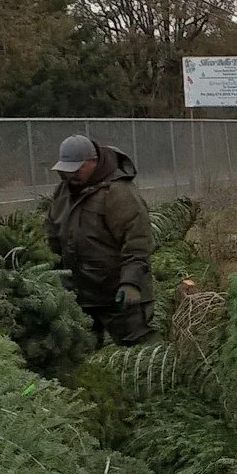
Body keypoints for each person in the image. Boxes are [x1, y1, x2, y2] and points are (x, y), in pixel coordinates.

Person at [46, 134, 154, 345]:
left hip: (119, 295)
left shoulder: (118, 192)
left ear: (93, 162)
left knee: (138, 351)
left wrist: (130, 283)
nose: (71, 176)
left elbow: (137, 241)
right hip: (80, 295)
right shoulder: (63, 192)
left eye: (77, 169)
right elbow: (52, 234)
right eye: (67, 171)